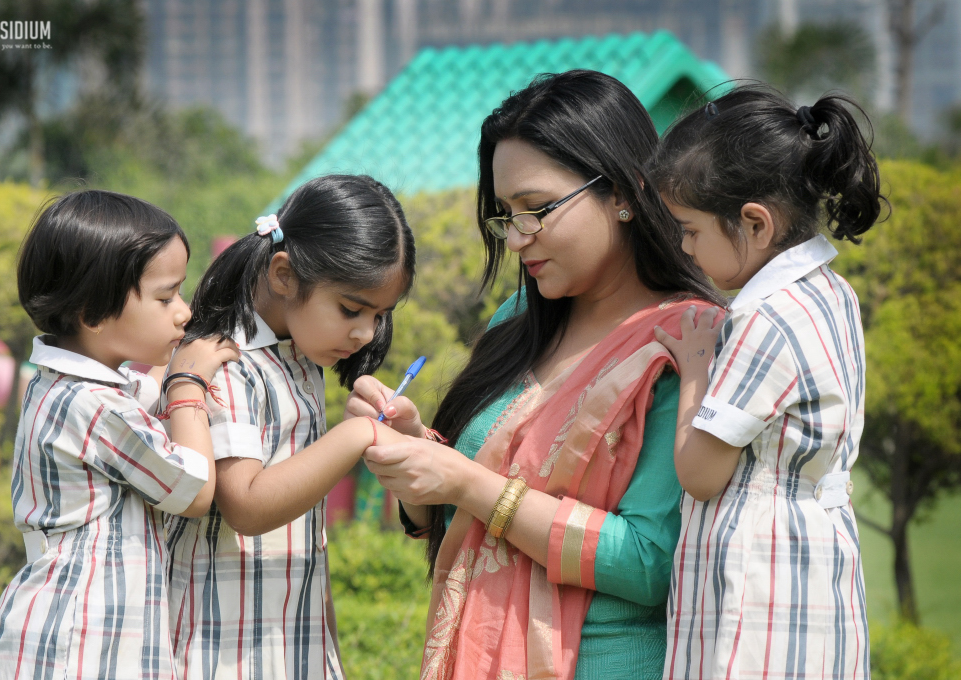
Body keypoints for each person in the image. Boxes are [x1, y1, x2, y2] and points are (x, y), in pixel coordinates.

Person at [346, 70, 726, 680]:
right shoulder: (520, 318)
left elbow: (651, 562)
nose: (519, 238)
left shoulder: (686, 341)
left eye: (536, 209)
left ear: (625, 191)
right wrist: (415, 453)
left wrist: (467, 483)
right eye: (505, 215)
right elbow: (462, 519)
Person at [650, 86, 882, 679]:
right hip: (816, 562)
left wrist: (698, 365)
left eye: (692, 229)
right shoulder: (832, 293)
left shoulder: (763, 317)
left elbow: (700, 474)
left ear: (754, 222)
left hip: (759, 579)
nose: (685, 247)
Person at [166, 174, 416, 680]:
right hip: (219, 649)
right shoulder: (228, 363)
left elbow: (306, 531)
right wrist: (356, 436)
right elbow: (248, 505)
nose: (365, 332)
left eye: (379, 315)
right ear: (284, 274)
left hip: (290, 644)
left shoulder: (300, 362)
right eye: (351, 308)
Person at [0, 190, 239, 679]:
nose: (183, 313)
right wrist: (188, 385)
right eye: (166, 297)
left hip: (73, 629)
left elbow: (144, 397)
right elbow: (194, 488)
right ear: (94, 315)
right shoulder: (96, 405)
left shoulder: (68, 386)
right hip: (81, 639)